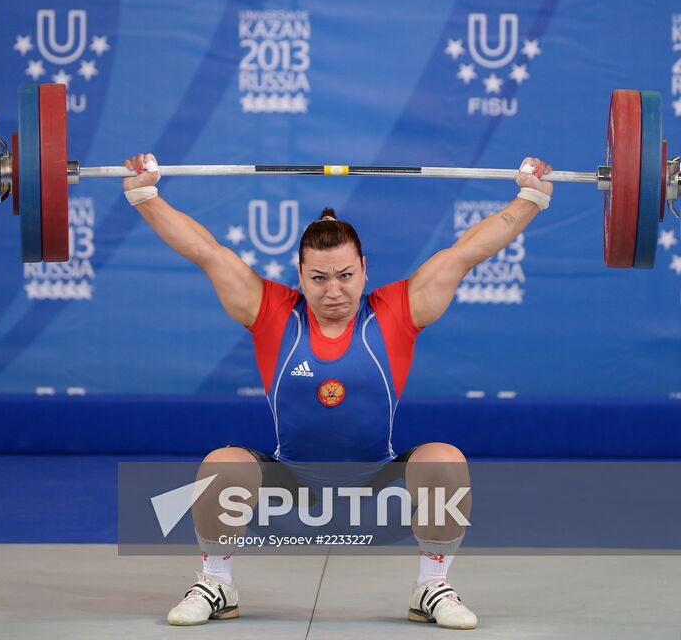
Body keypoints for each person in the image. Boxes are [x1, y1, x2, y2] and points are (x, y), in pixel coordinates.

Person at [123, 153, 553, 630]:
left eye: (345, 275)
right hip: (290, 479)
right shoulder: (271, 312)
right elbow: (206, 251)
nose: (333, 291)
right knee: (221, 466)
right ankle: (217, 581)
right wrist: (146, 195)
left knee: (444, 460)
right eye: (319, 278)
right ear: (300, 274)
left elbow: (465, 252)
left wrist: (529, 197)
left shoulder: (395, 313)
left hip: (377, 477)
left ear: (365, 269)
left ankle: (431, 585)